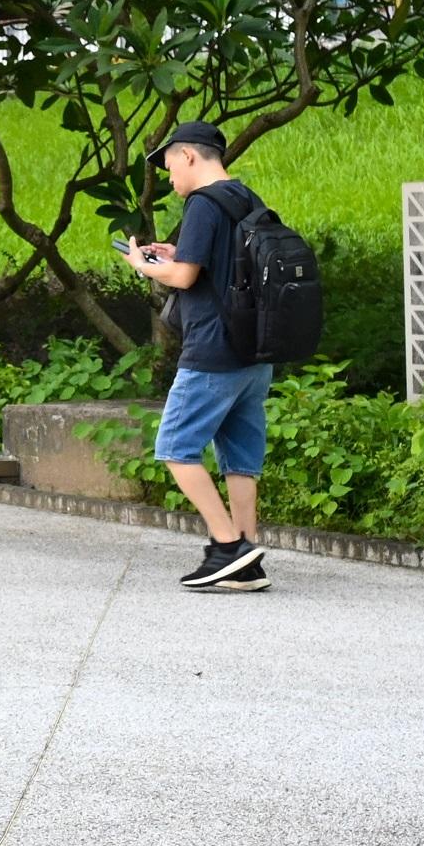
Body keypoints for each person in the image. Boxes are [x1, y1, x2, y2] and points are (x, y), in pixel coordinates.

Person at [125, 120, 273, 594]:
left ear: (188, 156)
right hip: (255, 352)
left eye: (169, 168)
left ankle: (227, 546)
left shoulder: (203, 204)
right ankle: (248, 559)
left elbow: (185, 279)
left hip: (213, 351)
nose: (170, 179)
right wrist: (176, 253)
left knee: (174, 447)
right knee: (240, 456)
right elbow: (217, 265)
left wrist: (143, 266)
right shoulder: (246, 198)